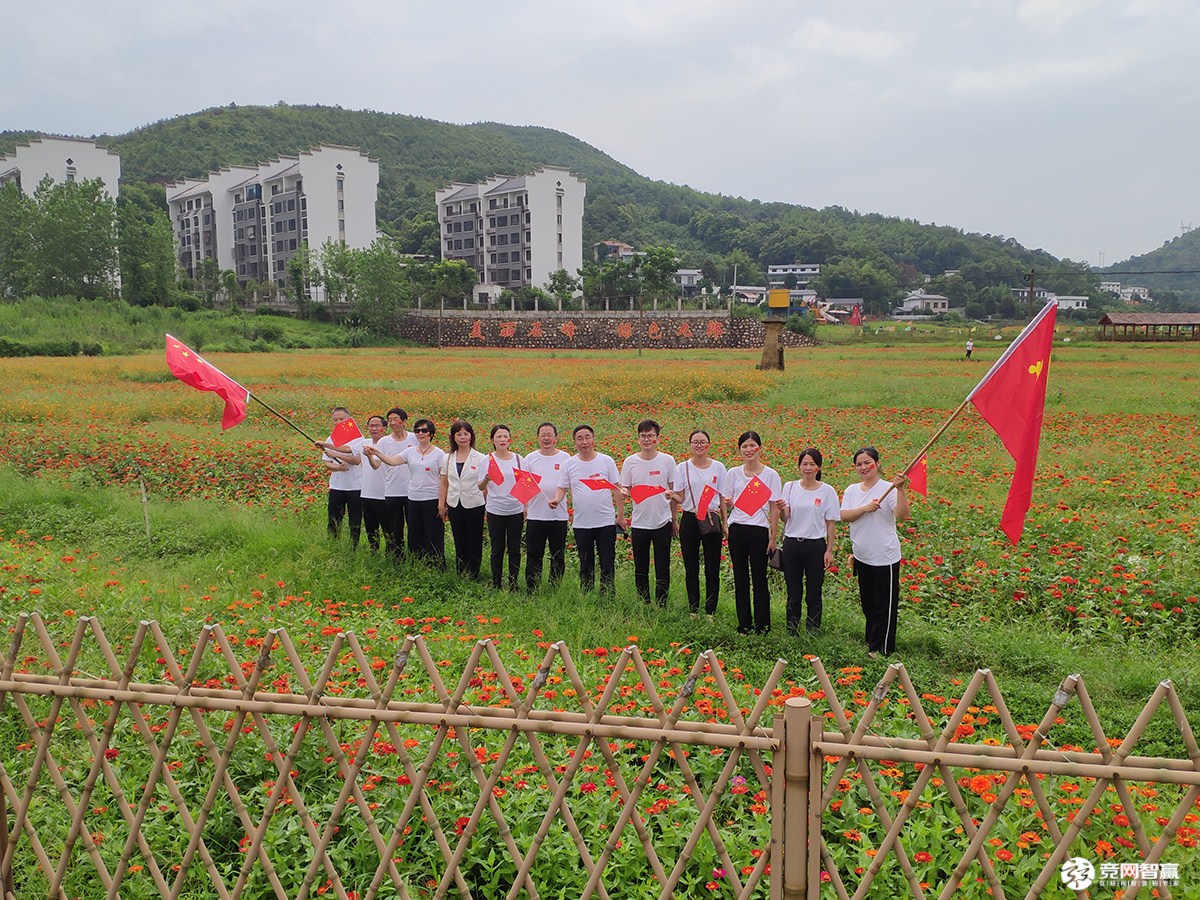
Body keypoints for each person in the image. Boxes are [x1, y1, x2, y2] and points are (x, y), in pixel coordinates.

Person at [840, 446, 910, 658]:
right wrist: (865, 509)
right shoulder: (852, 490)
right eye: (859, 464)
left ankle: (882, 649)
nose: (863, 467)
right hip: (863, 555)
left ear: (878, 463)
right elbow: (844, 516)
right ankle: (872, 640)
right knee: (868, 604)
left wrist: (900, 489)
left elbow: (902, 515)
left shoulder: (887, 488)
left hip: (884, 556)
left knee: (884, 606)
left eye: (867, 462)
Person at [553, 425, 625, 596]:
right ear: (574, 442)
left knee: (607, 560)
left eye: (587, 437)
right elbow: (562, 488)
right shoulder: (569, 464)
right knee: (585, 561)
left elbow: (617, 489)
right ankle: (587, 594)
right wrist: (557, 499)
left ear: (593, 440)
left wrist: (620, 515)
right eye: (580, 438)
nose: (584, 442)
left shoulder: (606, 461)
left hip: (605, 521)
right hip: (582, 522)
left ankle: (607, 594)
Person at [722, 431, 782, 634]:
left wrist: (773, 537)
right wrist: (728, 504)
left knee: (759, 578)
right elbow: (727, 502)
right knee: (740, 578)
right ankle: (744, 624)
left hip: (759, 531)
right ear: (739, 450)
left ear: (760, 448)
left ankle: (763, 625)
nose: (749, 450)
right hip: (737, 529)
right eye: (744, 446)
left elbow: (774, 507)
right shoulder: (733, 473)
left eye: (752, 445)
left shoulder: (770, 475)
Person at [363, 418, 446, 565]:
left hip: (431, 498)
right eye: (418, 431)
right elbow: (392, 461)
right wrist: (376, 452)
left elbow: (444, 480)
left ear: (431, 434)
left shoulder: (440, 454)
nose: (421, 433)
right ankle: (416, 562)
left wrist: (442, 503)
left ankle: (435, 563)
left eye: (424, 431)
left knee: (432, 533)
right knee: (414, 532)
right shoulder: (409, 452)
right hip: (413, 498)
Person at [777, 448, 840, 634]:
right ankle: (792, 628)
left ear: (819, 467)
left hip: (815, 546)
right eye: (804, 464)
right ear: (799, 466)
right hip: (792, 544)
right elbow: (785, 517)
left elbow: (830, 524)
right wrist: (781, 509)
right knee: (793, 590)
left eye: (812, 464)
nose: (808, 467)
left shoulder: (827, 491)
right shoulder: (790, 487)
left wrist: (829, 550)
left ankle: (813, 629)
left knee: (814, 591)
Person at [619, 419, 678, 606]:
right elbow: (624, 488)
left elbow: (673, 492)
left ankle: (662, 602)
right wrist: (624, 492)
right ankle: (644, 601)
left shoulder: (667, 461)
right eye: (643, 436)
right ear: (638, 439)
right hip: (639, 522)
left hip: (662, 521)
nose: (647, 439)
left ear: (658, 439)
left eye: (650, 436)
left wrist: (674, 519)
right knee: (640, 566)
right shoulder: (630, 462)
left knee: (662, 565)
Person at [674, 429, 727, 621]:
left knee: (712, 567)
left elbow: (721, 497)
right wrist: (673, 496)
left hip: (711, 518)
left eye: (702, 442)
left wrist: (725, 522)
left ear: (708, 445)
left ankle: (710, 611)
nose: (699, 445)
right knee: (691, 567)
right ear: (689, 445)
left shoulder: (718, 467)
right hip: (690, 518)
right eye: (695, 442)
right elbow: (680, 496)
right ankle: (693, 609)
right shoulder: (682, 468)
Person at [523, 422, 571, 591]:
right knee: (534, 554)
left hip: (559, 516)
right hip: (536, 515)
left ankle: (554, 587)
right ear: (537, 438)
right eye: (543, 435)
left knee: (557, 554)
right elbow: (524, 486)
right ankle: (532, 587)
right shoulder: (530, 458)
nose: (546, 438)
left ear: (556, 438)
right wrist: (525, 507)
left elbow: (568, 485)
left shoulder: (565, 458)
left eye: (550, 434)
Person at [439, 419, 488, 578]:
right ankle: (461, 570)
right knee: (459, 537)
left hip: (474, 503)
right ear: (453, 437)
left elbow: (484, 484)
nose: (462, 437)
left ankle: (474, 572)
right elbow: (444, 482)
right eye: (458, 434)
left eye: (466, 434)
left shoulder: (480, 458)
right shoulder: (447, 458)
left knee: (474, 539)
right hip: (454, 503)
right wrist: (442, 504)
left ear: (471, 436)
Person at [480, 424, 524, 590]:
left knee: (515, 548)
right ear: (493, 440)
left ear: (510, 439)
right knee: (497, 549)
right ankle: (496, 583)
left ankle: (514, 583)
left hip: (515, 510)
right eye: (499, 436)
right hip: (495, 510)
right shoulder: (487, 460)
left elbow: (525, 484)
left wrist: (525, 506)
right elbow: (480, 487)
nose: (503, 439)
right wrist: (486, 479)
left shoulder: (519, 459)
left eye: (506, 436)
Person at [315, 406, 364, 549]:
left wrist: (335, 453)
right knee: (334, 518)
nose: (338, 422)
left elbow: (356, 460)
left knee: (355, 519)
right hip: (337, 486)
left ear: (348, 420)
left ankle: (353, 546)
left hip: (356, 486)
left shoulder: (358, 438)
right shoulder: (331, 438)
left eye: (341, 419)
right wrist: (337, 468)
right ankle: (332, 544)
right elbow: (326, 462)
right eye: (335, 420)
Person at [378, 407, 416, 558]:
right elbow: (376, 464)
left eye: (396, 419)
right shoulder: (384, 441)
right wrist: (369, 456)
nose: (392, 423)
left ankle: (415, 556)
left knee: (413, 526)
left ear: (404, 421)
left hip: (412, 491)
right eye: (389, 420)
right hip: (392, 490)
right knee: (395, 528)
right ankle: (396, 558)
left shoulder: (414, 438)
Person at [358, 415, 391, 553]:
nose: (374, 428)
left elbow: (376, 465)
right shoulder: (364, 443)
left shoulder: (388, 443)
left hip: (384, 493)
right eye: (371, 426)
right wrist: (326, 446)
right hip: (367, 493)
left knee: (388, 528)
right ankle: (374, 551)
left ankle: (392, 553)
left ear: (384, 427)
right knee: (371, 528)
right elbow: (347, 449)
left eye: (377, 425)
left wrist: (370, 456)